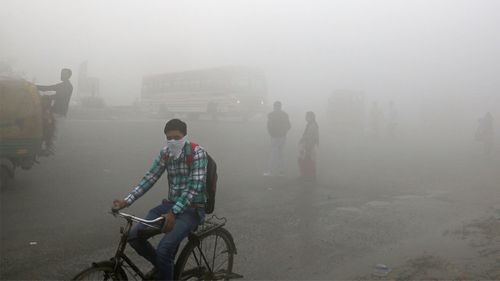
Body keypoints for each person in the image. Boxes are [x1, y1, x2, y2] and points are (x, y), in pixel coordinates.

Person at [112, 119, 208, 280]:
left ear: (184, 136)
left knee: (164, 250)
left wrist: (174, 212)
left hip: (192, 209)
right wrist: (127, 201)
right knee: (134, 236)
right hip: (169, 207)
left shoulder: (198, 152)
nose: (173, 141)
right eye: (169, 138)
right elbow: (150, 177)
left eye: (177, 137)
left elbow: (194, 186)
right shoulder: (166, 153)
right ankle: (165, 269)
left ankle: (165, 268)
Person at [36, 68, 73, 153]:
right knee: (47, 129)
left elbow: (59, 96)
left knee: (55, 132)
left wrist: (46, 97)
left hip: (60, 113)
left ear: (68, 76)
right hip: (54, 111)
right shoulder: (62, 85)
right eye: (61, 73)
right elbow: (48, 88)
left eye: (64, 74)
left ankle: (50, 150)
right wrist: (34, 86)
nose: (61, 75)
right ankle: (46, 147)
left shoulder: (68, 86)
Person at [264, 101, 291, 176]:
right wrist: (284, 132)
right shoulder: (285, 115)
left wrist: (271, 133)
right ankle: (281, 171)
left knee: (273, 154)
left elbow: (268, 126)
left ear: (274, 107)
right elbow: (289, 126)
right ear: (280, 106)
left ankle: (269, 171)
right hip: (282, 137)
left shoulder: (271, 115)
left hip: (274, 137)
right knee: (280, 154)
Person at [298, 111, 319, 181]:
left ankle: (308, 175)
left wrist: (309, 146)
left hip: (309, 145)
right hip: (307, 145)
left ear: (312, 117)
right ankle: (308, 175)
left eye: (308, 117)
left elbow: (313, 137)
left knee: (307, 160)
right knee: (308, 160)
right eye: (306, 116)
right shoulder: (310, 124)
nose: (306, 118)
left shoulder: (313, 125)